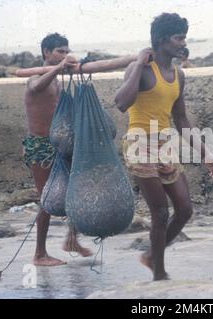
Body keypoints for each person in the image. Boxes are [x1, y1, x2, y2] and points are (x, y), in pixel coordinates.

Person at [115, 13, 213, 280]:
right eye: (178, 37)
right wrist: (139, 63)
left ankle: (151, 255)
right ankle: (159, 273)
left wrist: (205, 153)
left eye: (184, 37)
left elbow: (182, 119)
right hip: (139, 144)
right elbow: (121, 103)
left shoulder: (178, 74)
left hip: (165, 145)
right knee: (160, 212)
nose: (182, 42)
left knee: (185, 209)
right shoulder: (141, 70)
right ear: (162, 40)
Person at [23, 33, 136, 266]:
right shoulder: (37, 76)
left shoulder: (63, 78)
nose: (64, 55)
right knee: (46, 199)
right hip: (41, 147)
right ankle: (39, 254)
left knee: (75, 189)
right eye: (59, 52)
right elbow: (35, 86)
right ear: (46, 52)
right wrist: (58, 68)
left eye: (66, 51)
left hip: (64, 145)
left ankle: (71, 240)